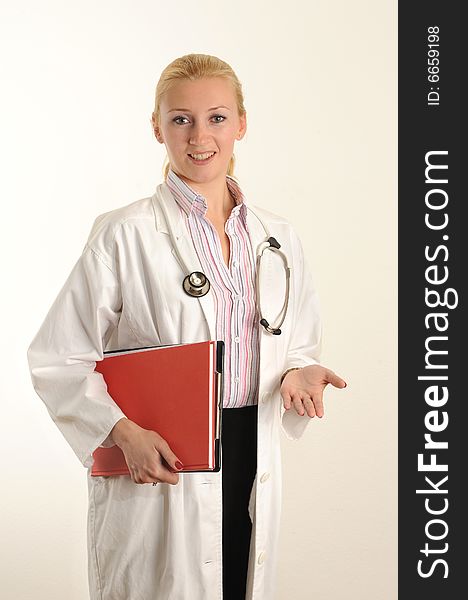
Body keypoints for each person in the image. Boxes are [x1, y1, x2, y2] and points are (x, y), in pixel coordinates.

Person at [27, 53, 346, 600]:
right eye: (181, 119)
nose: (200, 136)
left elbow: (296, 341)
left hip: (251, 452)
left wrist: (298, 373)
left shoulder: (277, 237)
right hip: (161, 461)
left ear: (241, 123)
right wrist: (122, 434)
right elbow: (58, 357)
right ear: (157, 127)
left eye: (217, 118)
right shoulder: (123, 234)